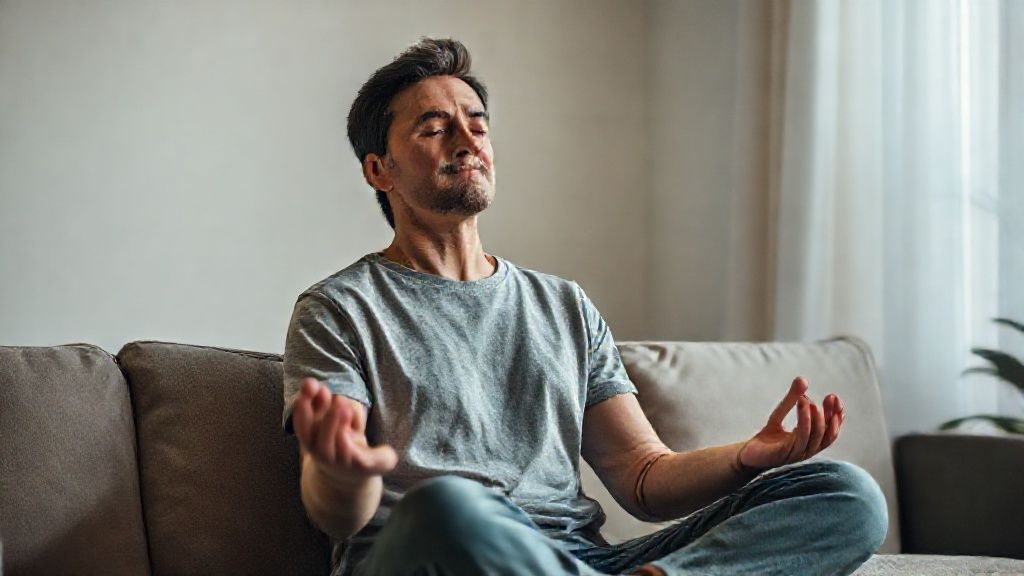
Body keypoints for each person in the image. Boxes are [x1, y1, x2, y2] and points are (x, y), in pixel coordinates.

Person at [282, 38, 888, 576]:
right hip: (435, 551)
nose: (468, 140)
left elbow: (643, 478)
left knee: (846, 493)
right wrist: (344, 469)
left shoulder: (562, 305)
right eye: (435, 127)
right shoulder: (338, 310)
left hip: (577, 556)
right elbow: (338, 514)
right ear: (378, 170)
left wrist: (748, 457)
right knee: (445, 506)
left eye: (478, 123)